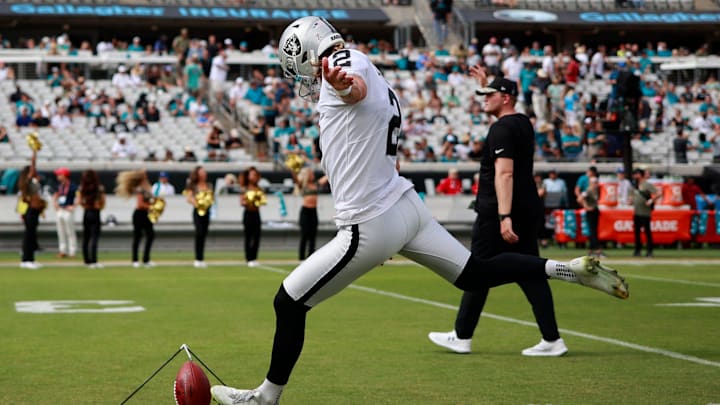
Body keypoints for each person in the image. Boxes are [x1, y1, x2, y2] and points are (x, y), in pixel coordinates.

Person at [211, 17, 629, 405]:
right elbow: (357, 90)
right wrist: (345, 86)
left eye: (299, 64)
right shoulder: (368, 66)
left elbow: (350, 84)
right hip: (405, 206)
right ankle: (566, 269)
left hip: (369, 222)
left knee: (288, 302)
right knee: (475, 274)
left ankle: (265, 397)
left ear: (308, 51)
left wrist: (341, 85)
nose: (304, 77)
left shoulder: (343, 63)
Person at [428, 75, 566, 357]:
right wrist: (488, 81)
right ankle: (552, 339)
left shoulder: (502, 128)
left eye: (490, 94)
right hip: (525, 209)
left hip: (499, 213)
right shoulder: (523, 122)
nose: (484, 98)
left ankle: (462, 335)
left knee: (477, 269)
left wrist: (504, 216)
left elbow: (505, 173)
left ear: (506, 97)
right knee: (530, 273)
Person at [115, 170, 155, 268]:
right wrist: (151, 207)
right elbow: (140, 204)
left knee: (150, 235)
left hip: (147, 214)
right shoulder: (139, 189)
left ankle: (146, 259)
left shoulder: (148, 186)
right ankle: (135, 260)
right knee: (138, 236)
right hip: (139, 214)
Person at [291, 167, 328, 261]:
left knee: (313, 236)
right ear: (307, 175)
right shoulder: (303, 185)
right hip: (305, 212)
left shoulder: (315, 184)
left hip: (314, 212)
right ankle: (301, 258)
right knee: (304, 235)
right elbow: (295, 180)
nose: (313, 175)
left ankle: (311, 258)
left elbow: (326, 178)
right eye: (311, 174)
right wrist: (293, 170)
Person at [18, 148, 46, 269]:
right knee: (28, 235)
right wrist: (34, 153)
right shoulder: (27, 182)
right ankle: (25, 260)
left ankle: (31, 259)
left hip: (35, 211)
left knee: (32, 235)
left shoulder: (32, 182)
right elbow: (33, 166)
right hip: (30, 211)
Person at [185, 166, 213, 268]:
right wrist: (198, 204)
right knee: (199, 233)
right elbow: (189, 198)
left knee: (204, 234)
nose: (204, 173)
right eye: (202, 172)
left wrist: (207, 204)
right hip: (198, 212)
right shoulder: (193, 185)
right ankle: (197, 258)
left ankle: (201, 258)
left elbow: (211, 197)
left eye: (204, 172)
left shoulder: (208, 185)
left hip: (207, 211)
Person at [78, 169, 105, 268]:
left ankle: (86, 260)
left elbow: (80, 201)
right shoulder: (98, 188)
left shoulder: (82, 188)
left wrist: (86, 206)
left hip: (86, 213)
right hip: (95, 213)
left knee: (86, 237)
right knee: (94, 237)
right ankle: (94, 260)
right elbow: (101, 202)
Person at [631, 168, 658, 257]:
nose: (634, 176)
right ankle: (637, 250)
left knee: (647, 232)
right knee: (637, 232)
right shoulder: (635, 185)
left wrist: (651, 200)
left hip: (645, 212)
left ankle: (649, 250)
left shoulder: (647, 184)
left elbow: (658, 193)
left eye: (636, 174)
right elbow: (633, 196)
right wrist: (631, 201)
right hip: (636, 211)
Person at [240, 166, 263, 267]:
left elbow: (262, 201)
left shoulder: (258, 188)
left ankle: (254, 257)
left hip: (256, 214)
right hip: (248, 213)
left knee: (257, 236)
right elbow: (242, 202)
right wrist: (248, 201)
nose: (254, 177)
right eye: (252, 175)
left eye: (255, 175)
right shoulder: (245, 188)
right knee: (248, 236)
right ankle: (249, 258)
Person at [52, 167, 78, 258]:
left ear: (65, 175)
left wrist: (73, 206)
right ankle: (62, 250)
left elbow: (79, 196)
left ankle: (72, 251)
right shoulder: (59, 186)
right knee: (60, 231)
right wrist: (55, 203)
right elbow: (56, 195)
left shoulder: (73, 186)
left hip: (68, 210)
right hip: (60, 209)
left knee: (70, 231)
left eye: (60, 174)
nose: (58, 176)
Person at [578, 176, 604, 257]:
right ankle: (598, 250)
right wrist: (586, 207)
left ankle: (591, 250)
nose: (596, 184)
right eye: (594, 182)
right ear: (590, 183)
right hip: (591, 212)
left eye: (596, 182)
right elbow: (579, 199)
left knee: (594, 231)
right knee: (593, 231)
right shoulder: (588, 190)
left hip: (595, 211)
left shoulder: (596, 190)